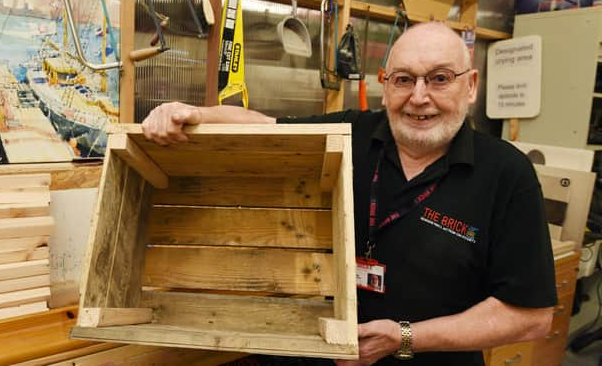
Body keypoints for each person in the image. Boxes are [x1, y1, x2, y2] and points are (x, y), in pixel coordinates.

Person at [141, 22, 556, 366]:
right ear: (385, 84)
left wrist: (405, 338)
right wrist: (194, 114)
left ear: (471, 86)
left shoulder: (507, 174)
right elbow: (262, 123)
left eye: (440, 79)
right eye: (404, 79)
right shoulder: (351, 134)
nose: (419, 97)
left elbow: (530, 316)